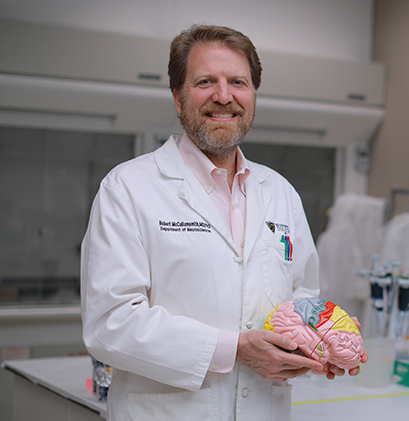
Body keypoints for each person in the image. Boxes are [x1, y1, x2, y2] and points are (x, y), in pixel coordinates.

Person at [81, 24, 366, 421]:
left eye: (238, 82)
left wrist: (321, 335)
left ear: (252, 96)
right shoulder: (128, 188)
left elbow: (301, 297)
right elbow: (109, 325)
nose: (224, 95)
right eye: (205, 81)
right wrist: (234, 349)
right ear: (178, 98)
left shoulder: (280, 192)